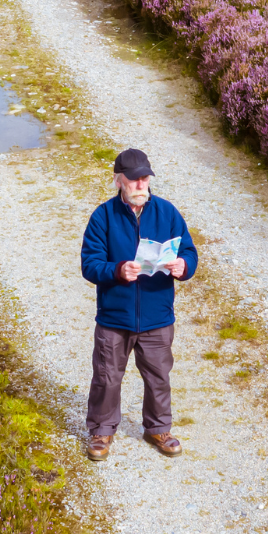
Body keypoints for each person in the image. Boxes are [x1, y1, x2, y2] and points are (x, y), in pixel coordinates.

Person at [80, 147, 198, 461]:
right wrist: (117, 270)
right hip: (114, 318)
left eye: (145, 178)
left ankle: (158, 428)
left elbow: (189, 252)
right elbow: (89, 265)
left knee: (159, 376)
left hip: (157, 316)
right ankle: (102, 432)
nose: (141, 184)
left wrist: (184, 266)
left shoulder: (167, 212)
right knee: (106, 377)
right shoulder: (102, 217)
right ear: (118, 181)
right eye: (134, 180)